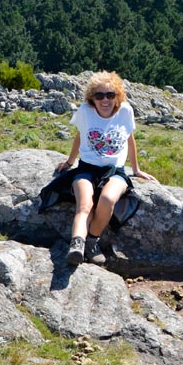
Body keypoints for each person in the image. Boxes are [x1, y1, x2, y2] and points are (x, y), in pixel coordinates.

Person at [48, 71, 156, 266]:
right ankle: (77, 245)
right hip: (87, 168)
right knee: (84, 205)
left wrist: (137, 169)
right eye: (99, 95)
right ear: (92, 98)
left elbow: (130, 139)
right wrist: (70, 162)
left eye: (110, 95)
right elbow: (80, 135)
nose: (105, 100)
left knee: (107, 199)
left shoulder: (125, 111)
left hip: (115, 170)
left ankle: (92, 241)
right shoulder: (85, 111)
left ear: (117, 96)